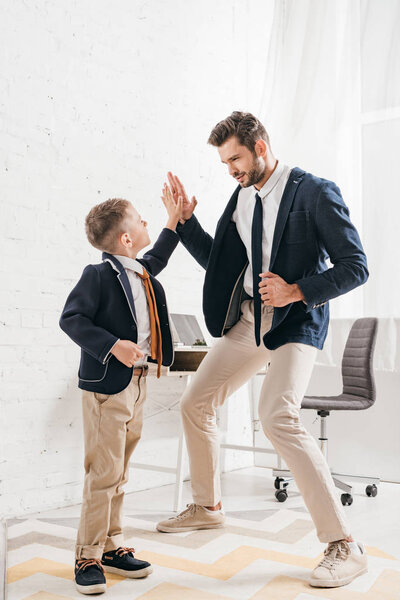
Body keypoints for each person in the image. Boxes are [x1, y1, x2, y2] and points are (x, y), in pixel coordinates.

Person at [156, 111, 369, 589]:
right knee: (195, 402)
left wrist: (297, 290)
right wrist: (187, 223)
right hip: (251, 318)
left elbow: (356, 266)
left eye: (235, 158)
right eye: (225, 161)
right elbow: (221, 263)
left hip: (296, 316)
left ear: (261, 147)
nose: (230, 169)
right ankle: (208, 506)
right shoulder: (242, 197)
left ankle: (345, 545)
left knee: (276, 414)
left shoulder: (314, 191)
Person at [59, 193, 182, 594]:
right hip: (107, 389)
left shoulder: (141, 272)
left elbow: (159, 252)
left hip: (138, 383)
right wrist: (114, 345)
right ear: (126, 239)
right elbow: (71, 318)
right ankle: (87, 554)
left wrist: (174, 220)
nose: (148, 224)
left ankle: (111, 546)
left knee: (120, 472)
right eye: (142, 221)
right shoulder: (97, 276)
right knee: (103, 473)